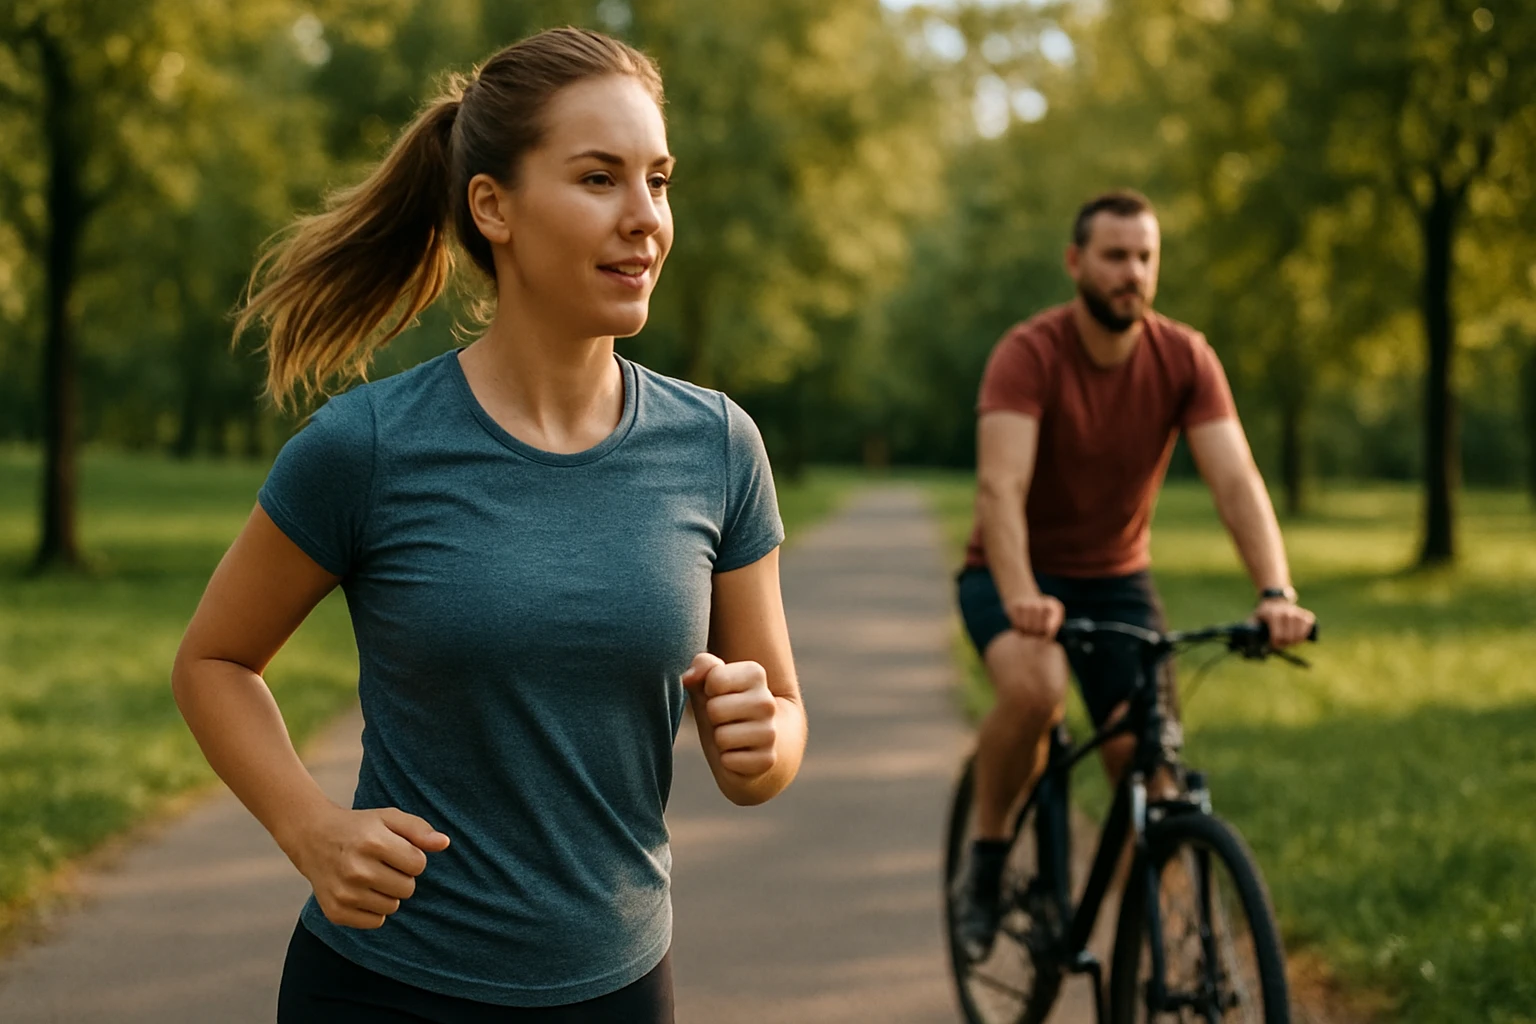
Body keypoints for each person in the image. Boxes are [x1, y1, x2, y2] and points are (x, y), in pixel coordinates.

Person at [171, 27, 806, 1023]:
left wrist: (765, 740)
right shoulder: (369, 446)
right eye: (600, 179)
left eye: (659, 181)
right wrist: (310, 830)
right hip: (386, 987)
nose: (645, 218)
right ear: (492, 206)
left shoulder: (718, 445)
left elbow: (779, 717)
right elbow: (213, 661)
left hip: (620, 988)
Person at [952, 189, 1315, 959]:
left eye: (1145, 257)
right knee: (1038, 687)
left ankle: (1136, 936)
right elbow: (1000, 489)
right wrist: (1021, 594)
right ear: (1076, 263)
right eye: (1116, 256)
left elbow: (1236, 480)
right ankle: (986, 859)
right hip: (1012, 571)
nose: (1133, 272)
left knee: (1147, 767)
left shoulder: (1185, 356)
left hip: (1117, 577)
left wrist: (1276, 590)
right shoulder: (1031, 353)